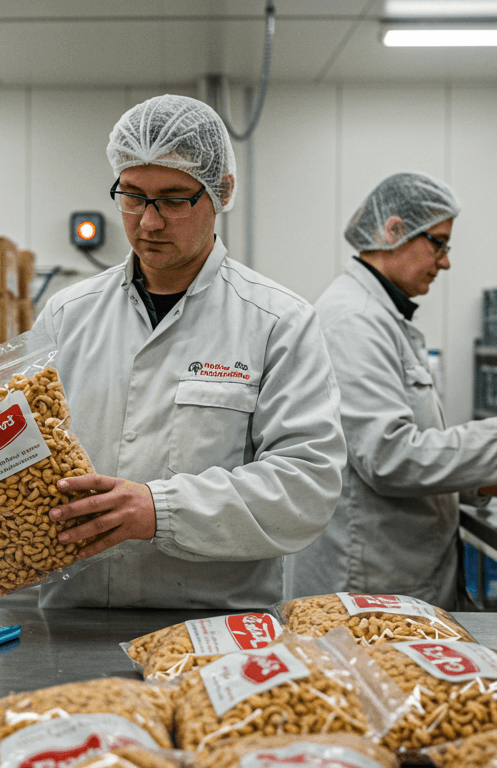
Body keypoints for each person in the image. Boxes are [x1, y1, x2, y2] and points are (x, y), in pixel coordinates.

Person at [31, 94, 347, 609]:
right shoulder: (67, 314)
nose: (148, 223)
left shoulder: (276, 321)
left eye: (174, 199)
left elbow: (305, 486)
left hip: (217, 626)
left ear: (222, 192)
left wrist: (161, 508)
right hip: (74, 615)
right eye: (132, 196)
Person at [288, 171, 497, 609]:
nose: (446, 261)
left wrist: (493, 476)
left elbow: (405, 449)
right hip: (369, 579)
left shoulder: (380, 316)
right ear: (393, 230)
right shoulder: (353, 321)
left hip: (396, 568)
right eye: (439, 243)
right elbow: (389, 457)